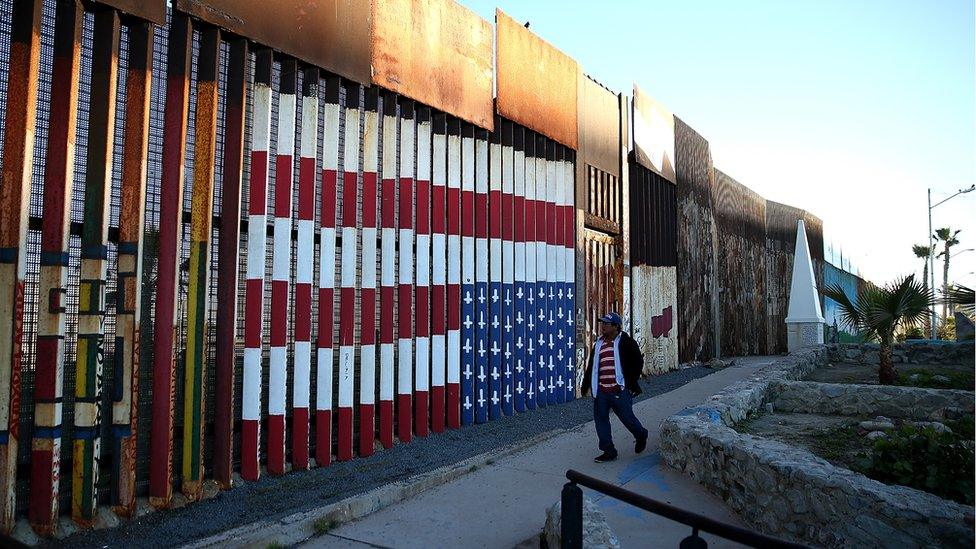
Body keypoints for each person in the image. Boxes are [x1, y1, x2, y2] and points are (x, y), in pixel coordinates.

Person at [581, 312, 649, 463]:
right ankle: (608, 451)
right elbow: (592, 366)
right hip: (602, 392)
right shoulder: (599, 344)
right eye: (602, 323)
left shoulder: (626, 342)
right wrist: (586, 385)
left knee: (627, 418)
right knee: (601, 421)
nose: (603, 326)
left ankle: (641, 434)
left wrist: (630, 383)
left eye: (606, 323)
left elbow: (638, 362)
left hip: (619, 390)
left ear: (615, 326)